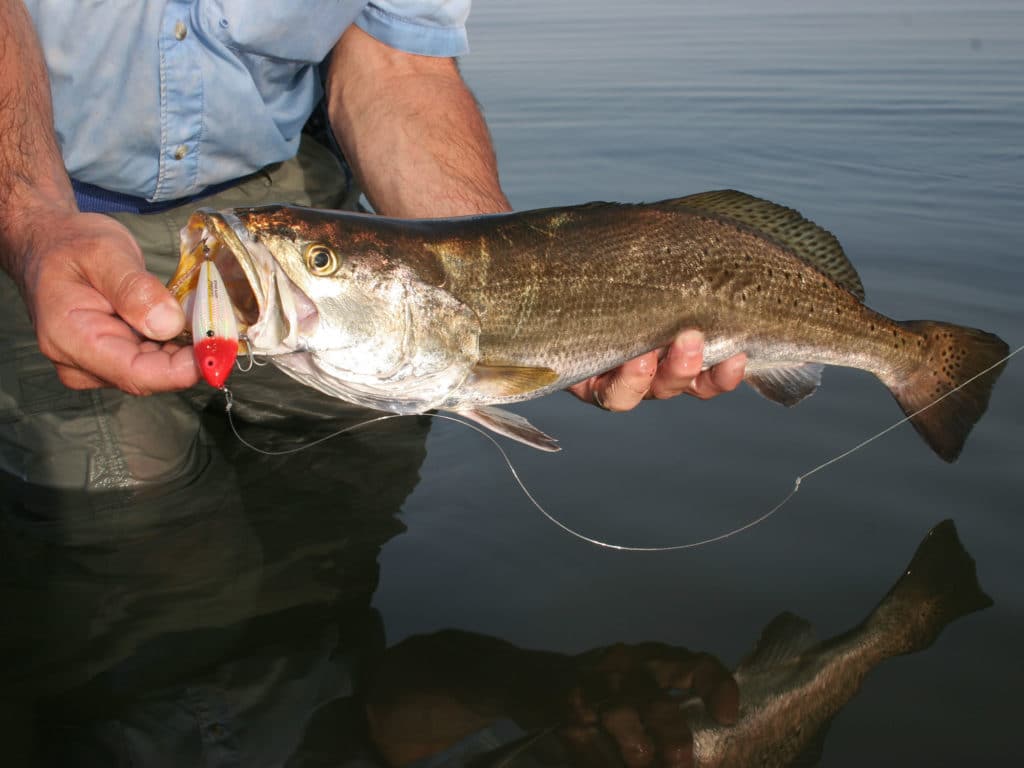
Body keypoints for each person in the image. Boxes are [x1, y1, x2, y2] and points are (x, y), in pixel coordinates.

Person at [0, 0, 746, 494]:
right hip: (47, 198)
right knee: (119, 516)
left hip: (290, 199)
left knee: (365, 476)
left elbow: (398, 66)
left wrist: (533, 297)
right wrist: (31, 220)